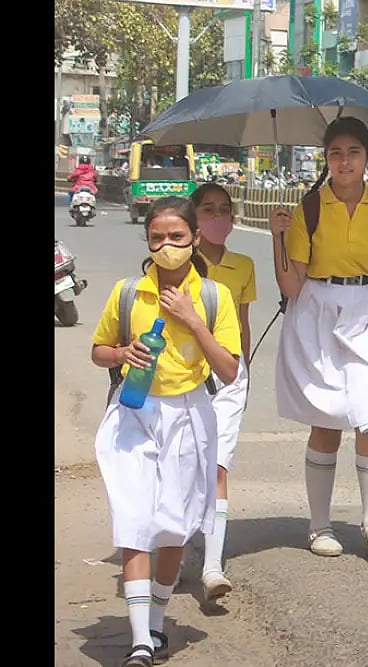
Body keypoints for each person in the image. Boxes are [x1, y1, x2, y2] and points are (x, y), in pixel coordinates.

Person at [90, 196, 240, 666]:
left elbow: (230, 370)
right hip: (134, 413)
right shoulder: (128, 292)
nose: (168, 246)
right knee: (134, 521)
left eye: (177, 237)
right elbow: (99, 350)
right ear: (148, 242)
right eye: (158, 238)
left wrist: (193, 321)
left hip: (189, 416)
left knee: (173, 527)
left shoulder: (215, 297)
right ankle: (138, 640)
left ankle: (156, 623)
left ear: (195, 238)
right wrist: (121, 354)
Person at [269, 116, 368, 561]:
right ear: (326, 159)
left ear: (367, 158)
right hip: (317, 312)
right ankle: (319, 526)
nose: (344, 161)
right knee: (327, 418)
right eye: (335, 153)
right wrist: (278, 236)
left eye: (353, 152)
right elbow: (292, 285)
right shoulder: (310, 208)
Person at [190, 183, 256, 600]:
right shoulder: (176, 264)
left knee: (217, 465)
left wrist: (243, 371)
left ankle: (212, 565)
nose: (218, 217)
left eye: (224, 210)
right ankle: (174, 551)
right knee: (182, 464)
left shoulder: (244, 265)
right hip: (182, 377)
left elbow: (244, 325)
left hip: (228, 377)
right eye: (208, 210)